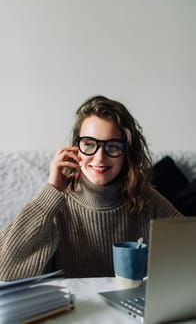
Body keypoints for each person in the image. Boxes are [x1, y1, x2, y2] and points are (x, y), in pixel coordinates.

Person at [0, 95, 182, 281]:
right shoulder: (55, 204)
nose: (100, 158)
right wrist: (52, 189)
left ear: (126, 152)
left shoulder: (147, 199)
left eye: (112, 146)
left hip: (131, 309)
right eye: (89, 144)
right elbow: (3, 272)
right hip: (74, 310)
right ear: (75, 148)